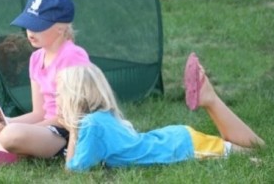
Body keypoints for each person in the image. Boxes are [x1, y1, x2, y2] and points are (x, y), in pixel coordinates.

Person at [56, 53, 265, 172]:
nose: (56, 98)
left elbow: (74, 170)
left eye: (59, 93)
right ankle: (209, 99)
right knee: (243, 149)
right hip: (175, 139)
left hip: (180, 147)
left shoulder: (92, 125)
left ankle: (210, 98)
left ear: (75, 96)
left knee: (256, 150)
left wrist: (72, 132)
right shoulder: (102, 118)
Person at [0, 0, 91, 168]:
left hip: (65, 132)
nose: (30, 32)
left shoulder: (73, 57)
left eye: (38, 26)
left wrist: (12, 129)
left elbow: (70, 117)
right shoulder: (36, 58)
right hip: (43, 126)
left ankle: (12, 146)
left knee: (11, 134)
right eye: (27, 25)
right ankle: (5, 152)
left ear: (60, 28)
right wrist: (3, 121)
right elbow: (39, 112)